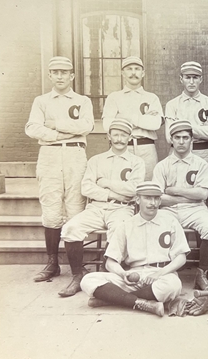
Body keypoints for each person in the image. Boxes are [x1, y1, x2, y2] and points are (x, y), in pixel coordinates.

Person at [57, 119, 146, 298]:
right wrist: (113, 194)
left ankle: (113, 277)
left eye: (124, 135)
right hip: (96, 208)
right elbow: (87, 187)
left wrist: (105, 183)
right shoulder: (96, 160)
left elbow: (134, 189)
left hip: (123, 208)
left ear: (130, 137)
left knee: (120, 230)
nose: (120, 139)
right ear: (109, 136)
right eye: (116, 134)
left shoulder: (137, 162)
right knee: (71, 228)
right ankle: (77, 275)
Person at [25, 56, 94, 283]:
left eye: (65, 72)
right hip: (50, 155)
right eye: (56, 72)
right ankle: (52, 263)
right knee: (52, 209)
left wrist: (56, 125)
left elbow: (86, 125)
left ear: (72, 75)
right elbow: (32, 128)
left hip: (75, 155)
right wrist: (57, 135)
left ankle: (77, 266)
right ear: (50, 75)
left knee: (75, 208)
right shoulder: (41, 101)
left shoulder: (83, 100)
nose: (60, 76)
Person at [79, 182, 190, 317]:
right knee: (88, 280)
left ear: (160, 200)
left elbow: (181, 257)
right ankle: (142, 302)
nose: (153, 203)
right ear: (137, 199)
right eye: (147, 198)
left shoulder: (170, 221)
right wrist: (122, 274)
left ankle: (115, 300)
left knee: (173, 285)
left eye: (156, 198)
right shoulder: (126, 225)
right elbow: (110, 262)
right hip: (134, 277)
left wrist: (159, 274)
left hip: (162, 275)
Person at [152, 120, 208, 292]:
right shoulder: (162, 166)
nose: (181, 141)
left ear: (192, 140)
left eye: (185, 137)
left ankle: (201, 273)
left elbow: (203, 194)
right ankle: (166, 271)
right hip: (169, 210)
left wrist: (174, 190)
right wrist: (186, 197)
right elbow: (158, 198)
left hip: (195, 209)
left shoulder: (201, 164)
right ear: (171, 140)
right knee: (156, 226)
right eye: (177, 138)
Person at [101, 56, 163, 179]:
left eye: (137, 69)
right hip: (122, 147)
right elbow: (107, 125)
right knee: (121, 184)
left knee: (147, 187)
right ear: (122, 73)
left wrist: (122, 118)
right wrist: (143, 119)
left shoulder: (152, 98)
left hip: (146, 148)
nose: (133, 73)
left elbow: (155, 123)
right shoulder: (114, 97)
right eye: (129, 69)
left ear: (143, 73)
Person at [164, 61, 208, 175]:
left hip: (203, 152)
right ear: (181, 79)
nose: (191, 82)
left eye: (195, 77)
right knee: (176, 186)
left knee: (204, 189)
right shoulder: (172, 104)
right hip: (177, 154)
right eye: (187, 77)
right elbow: (169, 137)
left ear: (201, 79)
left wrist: (181, 126)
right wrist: (202, 128)